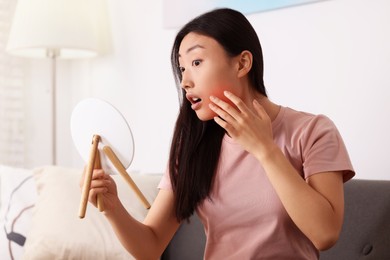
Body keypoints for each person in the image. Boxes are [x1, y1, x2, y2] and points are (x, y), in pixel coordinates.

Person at [83, 8, 355, 259]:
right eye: (182, 68)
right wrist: (112, 209)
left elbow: (325, 234)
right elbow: (151, 246)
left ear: (242, 64)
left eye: (197, 62)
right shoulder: (193, 144)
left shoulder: (312, 131)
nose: (186, 81)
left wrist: (265, 150)